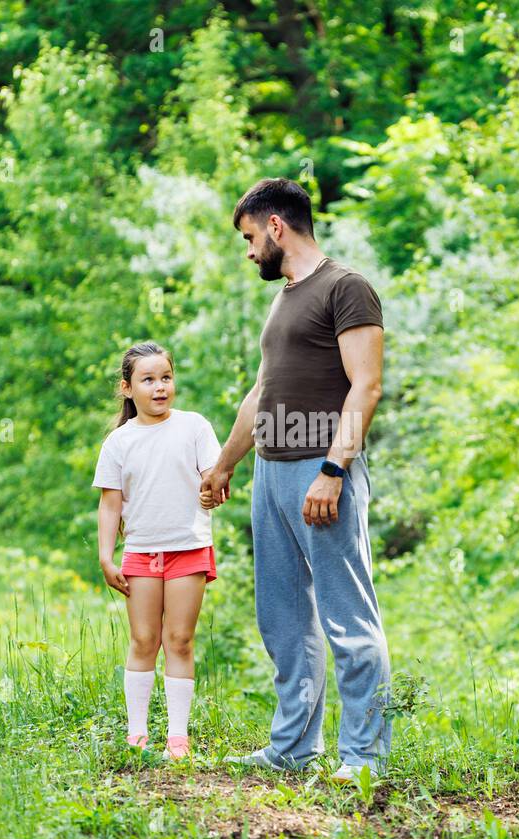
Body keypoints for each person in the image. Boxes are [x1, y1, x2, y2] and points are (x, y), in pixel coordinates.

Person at [201, 177, 392, 783]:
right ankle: (292, 748)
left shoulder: (347, 288)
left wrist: (334, 470)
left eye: (252, 237)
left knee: (347, 617)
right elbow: (262, 394)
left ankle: (362, 757)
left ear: (277, 226)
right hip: (271, 473)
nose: (250, 250)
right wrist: (227, 461)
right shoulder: (285, 296)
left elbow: (366, 386)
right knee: (283, 617)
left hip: (320, 471)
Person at [95, 341, 222, 760]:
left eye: (166, 377)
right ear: (128, 388)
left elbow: (213, 478)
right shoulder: (119, 442)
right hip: (142, 553)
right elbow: (110, 503)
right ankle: (137, 735)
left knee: (180, 640)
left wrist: (213, 493)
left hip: (188, 548)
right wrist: (106, 556)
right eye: (148, 380)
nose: (159, 387)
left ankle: (177, 738)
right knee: (144, 638)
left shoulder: (195, 427)